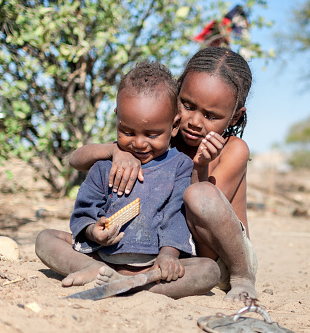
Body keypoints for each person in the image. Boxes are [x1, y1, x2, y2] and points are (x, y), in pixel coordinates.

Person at [68, 47, 257, 301]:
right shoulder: (161, 137)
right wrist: (115, 151)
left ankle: (243, 279)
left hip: (223, 257)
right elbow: (76, 160)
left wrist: (200, 166)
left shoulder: (234, 150)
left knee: (198, 194)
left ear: (235, 116)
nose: (195, 121)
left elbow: (202, 221)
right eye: (187, 105)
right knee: (58, 239)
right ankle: (130, 280)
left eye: (211, 116)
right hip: (166, 253)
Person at [35, 61, 220, 299]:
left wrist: (169, 255)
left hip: (151, 265)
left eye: (152, 134)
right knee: (45, 239)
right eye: (128, 132)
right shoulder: (106, 163)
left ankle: (134, 284)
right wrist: (93, 230)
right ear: (117, 118)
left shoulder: (179, 166)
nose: (139, 143)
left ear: (174, 125)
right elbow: (85, 206)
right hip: (102, 257)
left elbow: (177, 215)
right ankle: (95, 272)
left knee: (208, 271)